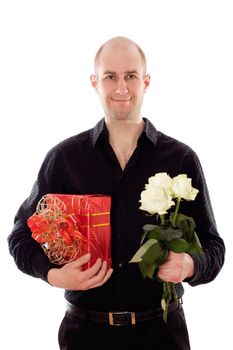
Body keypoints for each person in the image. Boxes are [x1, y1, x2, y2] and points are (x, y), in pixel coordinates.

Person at [8, 36, 225, 350]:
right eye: (110, 76)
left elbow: (213, 246)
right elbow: (20, 235)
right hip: (85, 334)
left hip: (163, 334)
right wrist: (54, 276)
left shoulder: (181, 158)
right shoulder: (65, 157)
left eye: (131, 76)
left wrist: (192, 265)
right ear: (95, 82)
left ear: (146, 81)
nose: (121, 87)